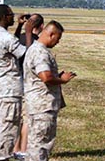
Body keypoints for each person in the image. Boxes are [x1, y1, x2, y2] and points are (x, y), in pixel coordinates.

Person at [23, 20, 76, 160]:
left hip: (37, 103)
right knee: (41, 144)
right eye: (57, 38)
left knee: (36, 142)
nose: (57, 42)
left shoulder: (34, 49)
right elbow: (45, 77)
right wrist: (62, 80)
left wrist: (56, 77)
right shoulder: (40, 53)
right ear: (51, 34)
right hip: (42, 105)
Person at [0, 4, 34, 161]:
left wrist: (20, 27)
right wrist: (28, 32)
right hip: (9, 89)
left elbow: (11, 47)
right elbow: (27, 55)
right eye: (10, 14)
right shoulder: (6, 38)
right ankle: (2, 156)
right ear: (4, 17)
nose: (13, 17)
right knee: (8, 126)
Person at [13, 13, 44, 160]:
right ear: (42, 27)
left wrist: (20, 28)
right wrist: (29, 33)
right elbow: (30, 56)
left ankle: (15, 147)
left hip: (15, 81)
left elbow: (14, 41)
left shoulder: (18, 39)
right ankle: (23, 149)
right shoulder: (34, 42)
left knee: (18, 118)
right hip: (27, 82)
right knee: (26, 118)